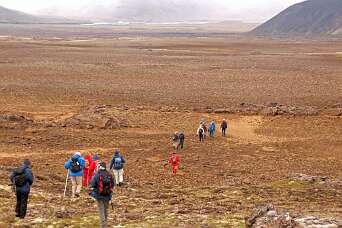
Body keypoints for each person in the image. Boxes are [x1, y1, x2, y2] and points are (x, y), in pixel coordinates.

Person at [90, 162, 114, 228]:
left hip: (99, 195)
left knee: (101, 211)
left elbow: (92, 184)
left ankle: (103, 226)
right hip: (107, 195)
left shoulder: (97, 174)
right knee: (105, 210)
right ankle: (105, 224)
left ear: (99, 167)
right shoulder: (109, 174)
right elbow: (113, 184)